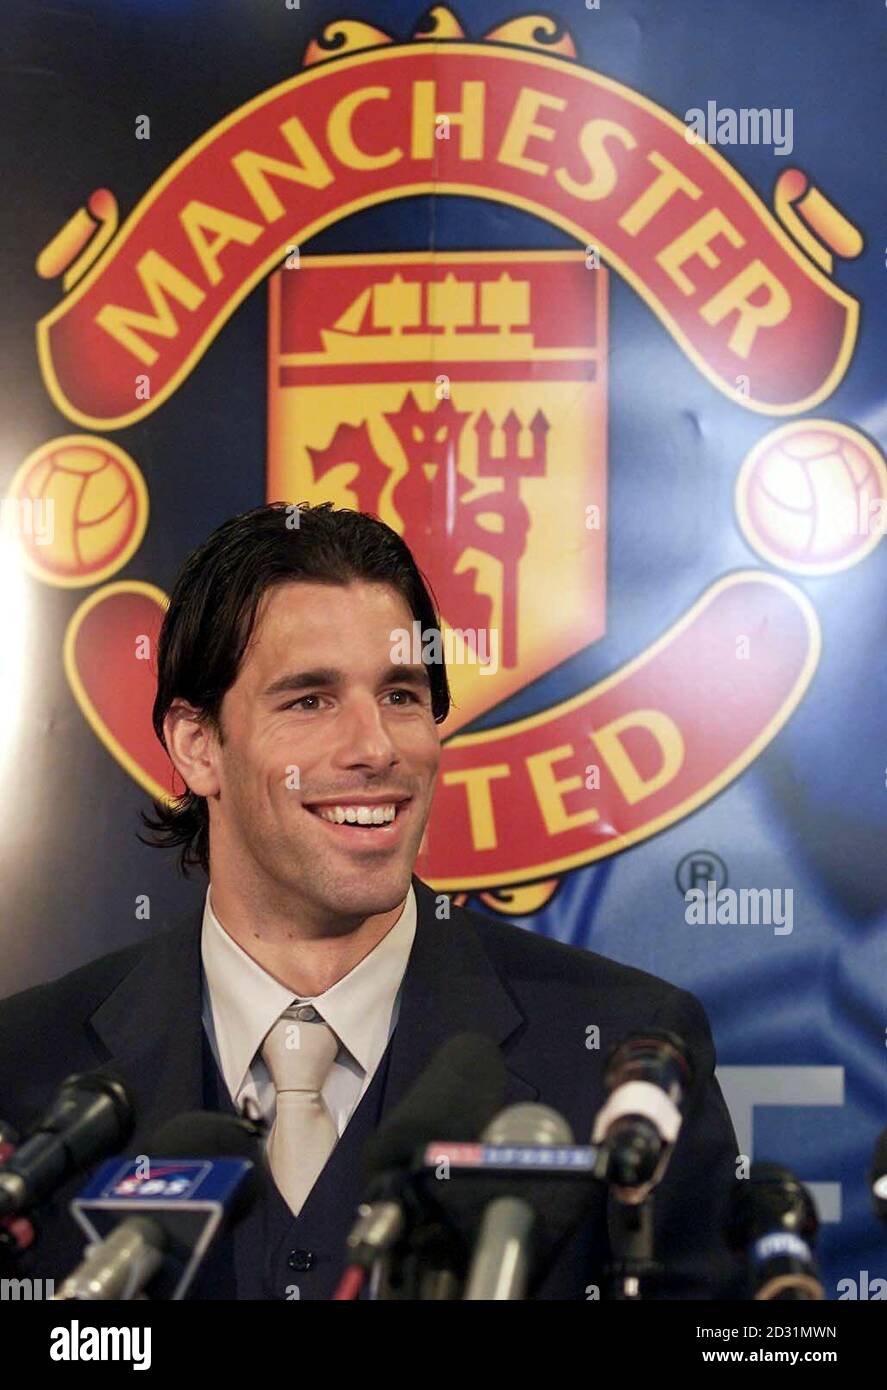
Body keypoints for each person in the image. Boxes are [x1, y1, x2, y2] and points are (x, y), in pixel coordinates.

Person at [0, 502, 740, 1299]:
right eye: (309, 700)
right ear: (198, 746)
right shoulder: (27, 1065)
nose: (376, 748)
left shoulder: (625, 1055)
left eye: (400, 695)